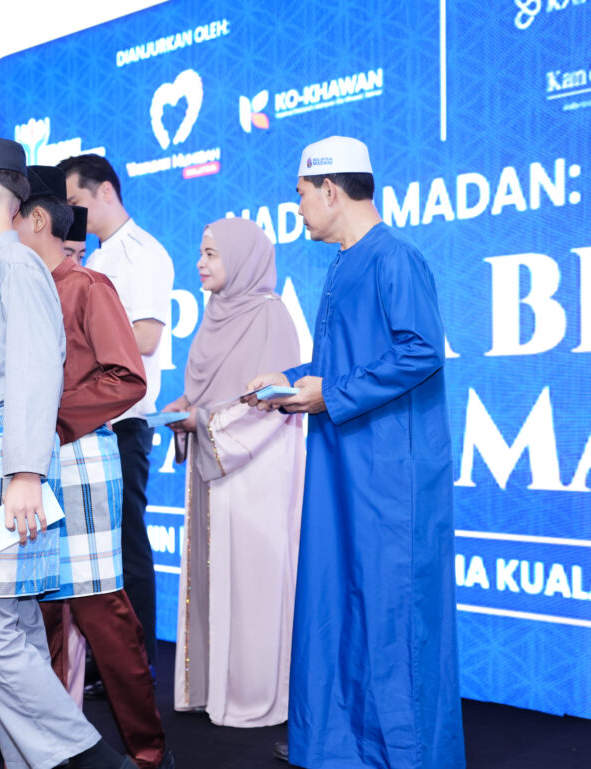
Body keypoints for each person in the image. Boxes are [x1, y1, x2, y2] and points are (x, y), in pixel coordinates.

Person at [247, 136, 464, 768]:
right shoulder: (345, 262)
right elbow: (346, 362)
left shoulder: (395, 257)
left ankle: (408, 756)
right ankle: (348, 747)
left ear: (330, 190)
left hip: (390, 472)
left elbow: (421, 352)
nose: (297, 208)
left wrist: (330, 393)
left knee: (393, 612)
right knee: (344, 604)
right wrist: (289, 381)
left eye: (301, 195)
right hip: (346, 459)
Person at [0, 137, 135, 769]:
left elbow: (34, 369)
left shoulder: (14, 266)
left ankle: (90, 759)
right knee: (15, 626)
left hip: (9, 462)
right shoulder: (0, 267)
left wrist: (25, 472)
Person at [15, 166, 175, 769]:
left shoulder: (88, 285)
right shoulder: (17, 291)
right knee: (40, 613)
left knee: (100, 609)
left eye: (9, 218)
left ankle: (149, 752)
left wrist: (49, 421)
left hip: (78, 460)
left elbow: (127, 376)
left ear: (36, 220)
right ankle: (57, 745)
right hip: (23, 468)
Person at [162, 217, 304, 728]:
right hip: (214, 464)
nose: (200, 263)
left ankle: (251, 696)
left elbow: (274, 401)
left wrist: (203, 421)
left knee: (251, 582)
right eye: (201, 253)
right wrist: (187, 407)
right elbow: (209, 392)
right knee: (212, 573)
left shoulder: (270, 314)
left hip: (256, 474)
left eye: (211, 254)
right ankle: (211, 688)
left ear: (242, 259)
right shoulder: (215, 314)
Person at [58, 154, 174, 668]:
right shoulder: (95, 258)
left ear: (106, 190)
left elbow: (146, 337)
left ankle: (138, 664)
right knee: (91, 552)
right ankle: (104, 663)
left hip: (123, 420)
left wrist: (89, 333)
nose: (72, 214)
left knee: (126, 544)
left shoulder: (143, 253)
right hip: (85, 421)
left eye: (76, 202)